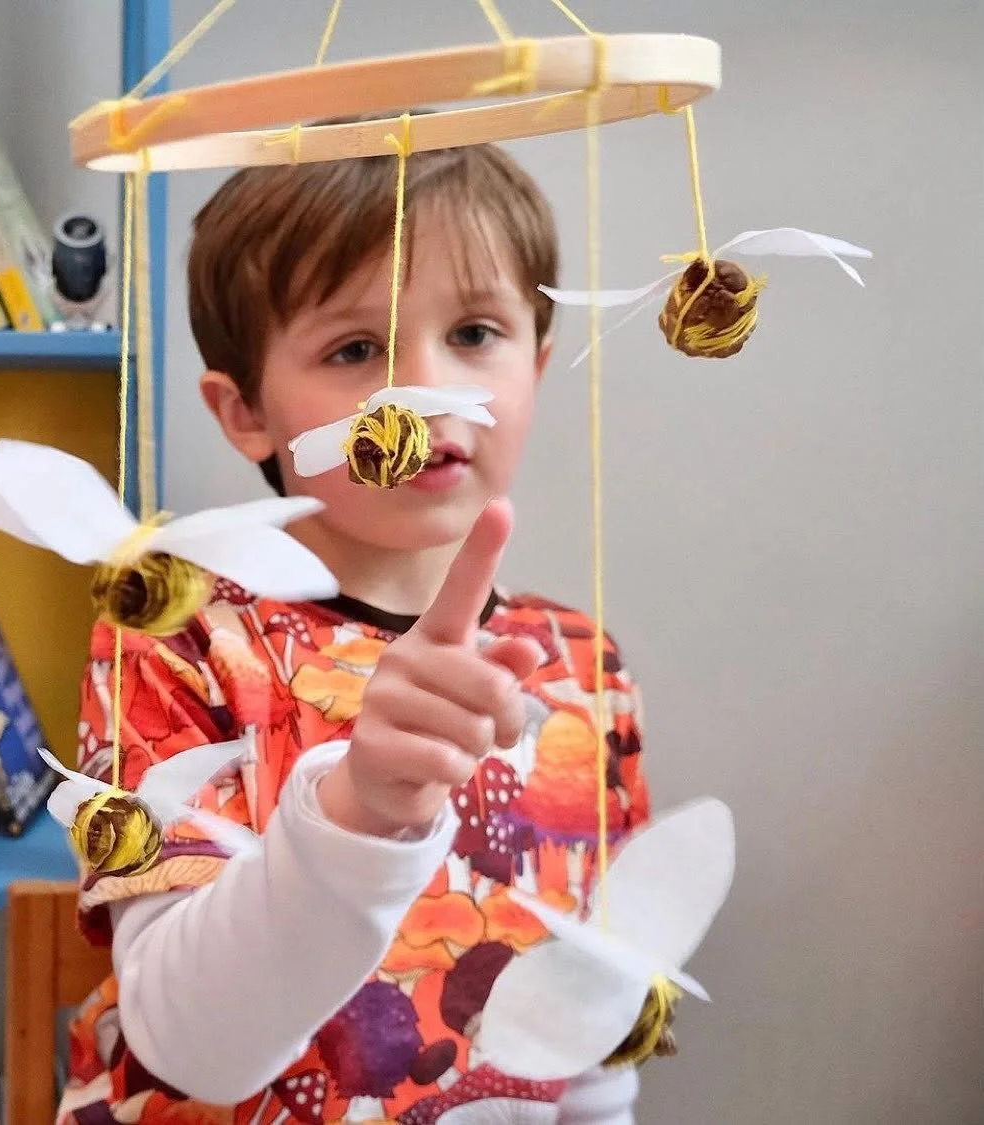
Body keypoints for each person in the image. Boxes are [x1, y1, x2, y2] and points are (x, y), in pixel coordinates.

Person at [58, 130, 651, 1124]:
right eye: (355, 348)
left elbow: (590, 1023)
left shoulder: (583, 666)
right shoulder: (177, 642)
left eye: (472, 335)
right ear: (245, 411)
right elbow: (191, 1045)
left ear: (537, 368)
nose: (422, 395)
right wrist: (362, 811)